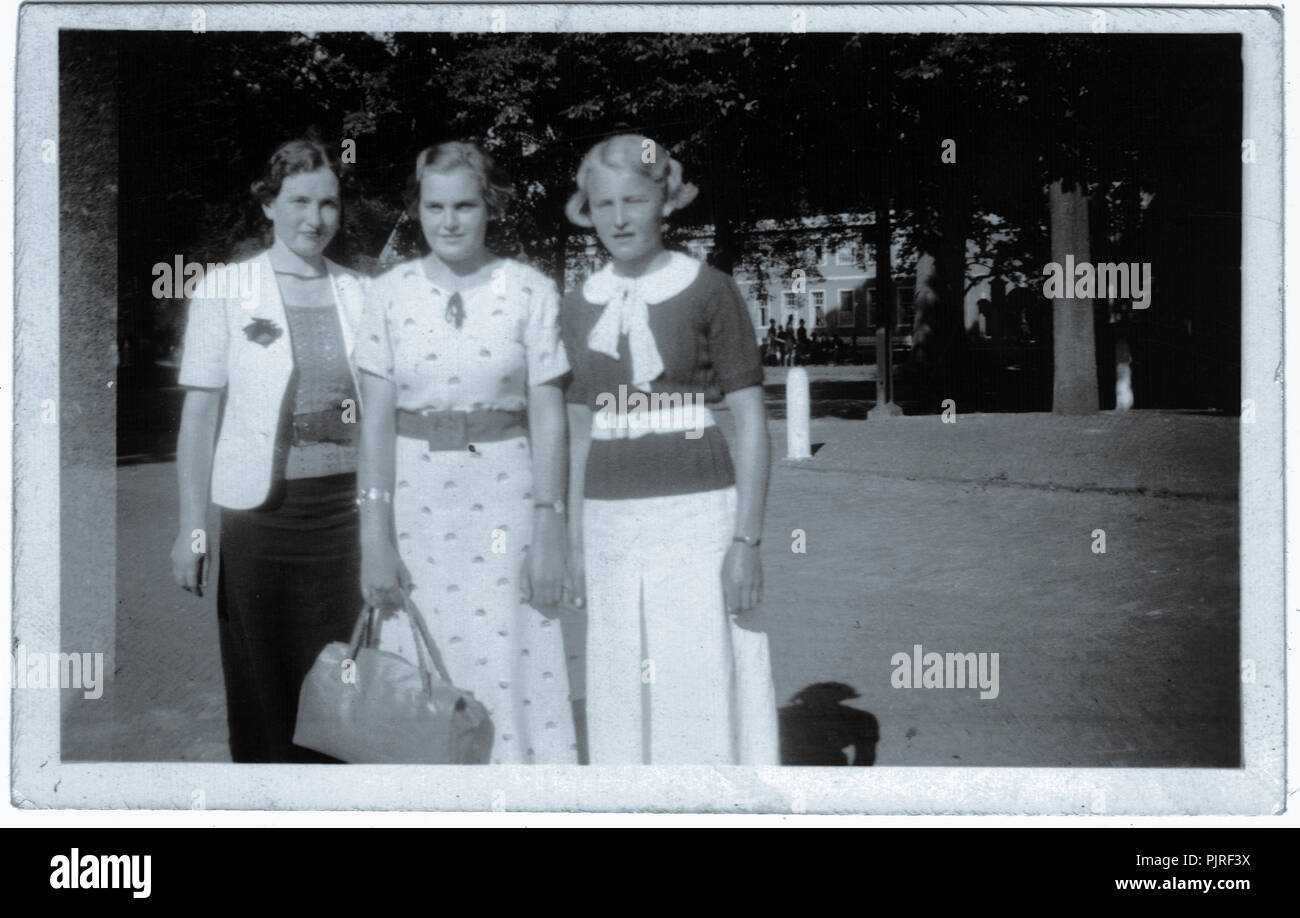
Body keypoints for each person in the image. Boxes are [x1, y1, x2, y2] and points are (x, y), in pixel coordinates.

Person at [355, 141, 577, 765]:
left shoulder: (530, 290)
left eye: (464, 205)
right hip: (415, 511)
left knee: (511, 664)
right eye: (434, 206)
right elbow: (374, 421)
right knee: (423, 667)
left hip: (506, 503)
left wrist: (550, 525)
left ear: (489, 208)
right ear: (416, 210)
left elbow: (549, 415)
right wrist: (374, 536)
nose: (449, 221)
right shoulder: (389, 293)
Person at [559, 134, 778, 765]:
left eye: (634, 199)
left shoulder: (709, 289)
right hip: (607, 522)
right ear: (588, 210)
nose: (620, 218)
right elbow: (575, 434)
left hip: (698, 515)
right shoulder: (577, 305)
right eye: (604, 204)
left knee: (699, 669)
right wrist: (573, 546)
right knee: (619, 675)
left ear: (666, 202)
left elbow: (750, 422)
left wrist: (747, 542)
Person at [171, 138, 369, 762]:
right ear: (268, 204)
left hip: (349, 520)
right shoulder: (226, 289)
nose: (315, 219)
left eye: (329, 203)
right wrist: (190, 531)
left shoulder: (363, 293)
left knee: (345, 682)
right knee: (267, 686)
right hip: (262, 519)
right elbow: (199, 416)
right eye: (300, 201)